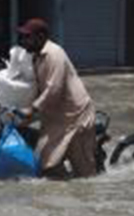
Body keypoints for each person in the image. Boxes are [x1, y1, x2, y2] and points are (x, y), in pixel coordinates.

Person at [14, 18, 98, 179]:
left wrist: (32, 109)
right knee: (44, 163)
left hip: (75, 117)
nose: (24, 41)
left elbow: (54, 89)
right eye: (23, 37)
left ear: (40, 37)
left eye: (28, 37)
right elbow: (35, 87)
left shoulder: (54, 54)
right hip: (56, 118)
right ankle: (63, 187)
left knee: (85, 175)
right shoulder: (35, 57)